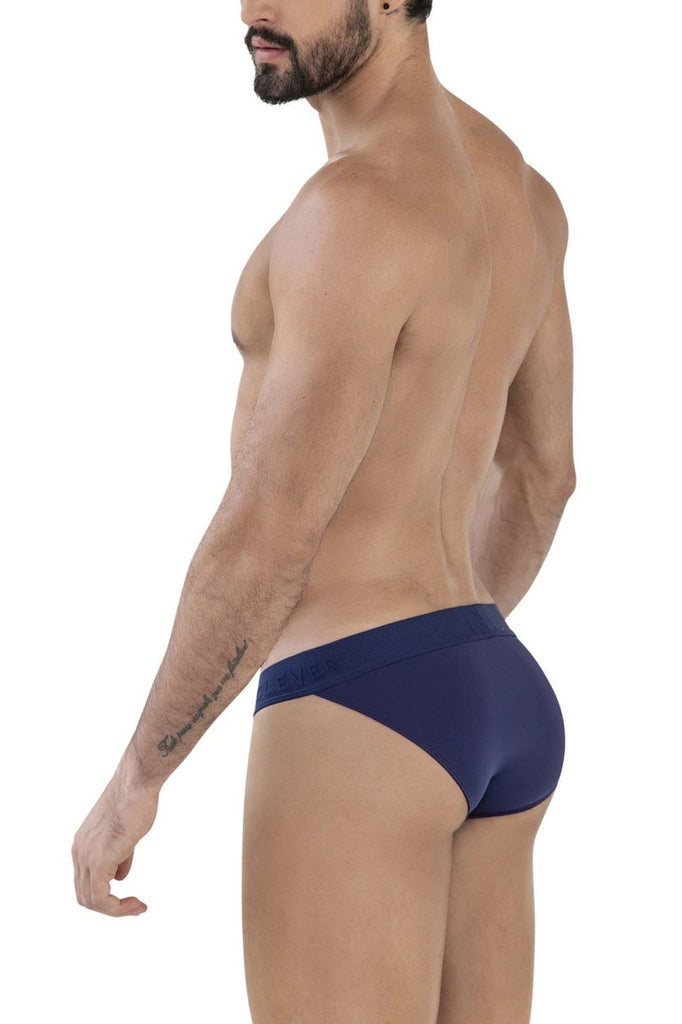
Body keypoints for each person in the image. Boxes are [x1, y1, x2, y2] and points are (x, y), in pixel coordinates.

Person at [72, 2, 576, 1021]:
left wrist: (139, 773)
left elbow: (269, 529)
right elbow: (543, 473)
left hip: (356, 706)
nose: (254, 9)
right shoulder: (523, 192)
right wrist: (443, 659)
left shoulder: (354, 207)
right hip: (496, 687)